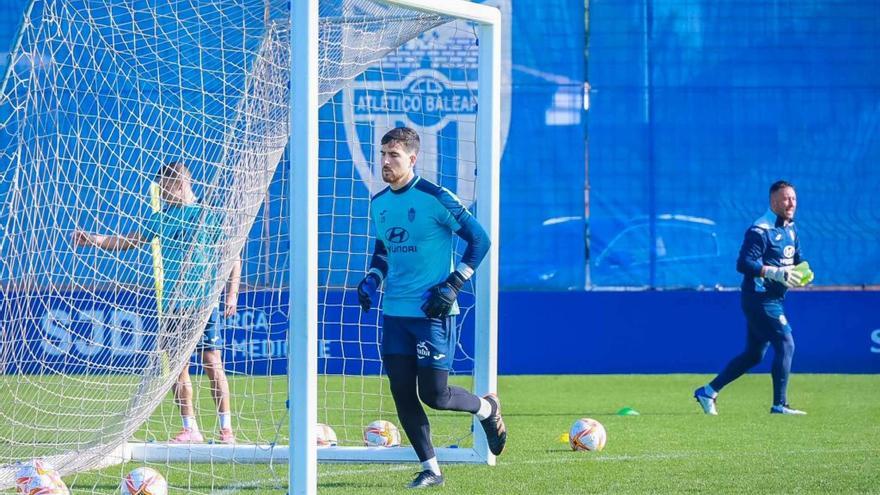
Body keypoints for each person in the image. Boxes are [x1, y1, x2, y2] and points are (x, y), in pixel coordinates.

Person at [357, 127, 506, 488]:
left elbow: (480, 240)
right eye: (382, 154)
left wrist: (454, 284)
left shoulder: (434, 197)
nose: (386, 161)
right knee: (402, 393)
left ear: (412, 157)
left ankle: (487, 409)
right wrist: (372, 279)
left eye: (393, 155)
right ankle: (431, 469)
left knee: (435, 395)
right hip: (394, 315)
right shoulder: (379, 203)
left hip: (431, 314)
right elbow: (383, 252)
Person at [73, 161, 241, 443]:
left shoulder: (208, 215)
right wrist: (94, 240)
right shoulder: (161, 218)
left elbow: (233, 256)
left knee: (213, 363)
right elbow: (127, 240)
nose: (161, 195)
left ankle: (226, 429)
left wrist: (231, 293)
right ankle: (191, 429)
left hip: (203, 305)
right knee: (177, 367)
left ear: (179, 185)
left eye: (164, 189)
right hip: (174, 306)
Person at [694, 180, 811, 416]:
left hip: (775, 299)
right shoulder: (760, 230)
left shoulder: (790, 228)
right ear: (773, 201)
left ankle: (708, 391)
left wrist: (803, 273)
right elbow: (744, 264)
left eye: (794, 198)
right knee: (787, 344)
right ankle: (780, 404)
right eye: (786, 198)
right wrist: (774, 272)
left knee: (754, 355)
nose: (791, 203)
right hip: (759, 299)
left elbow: (796, 259)